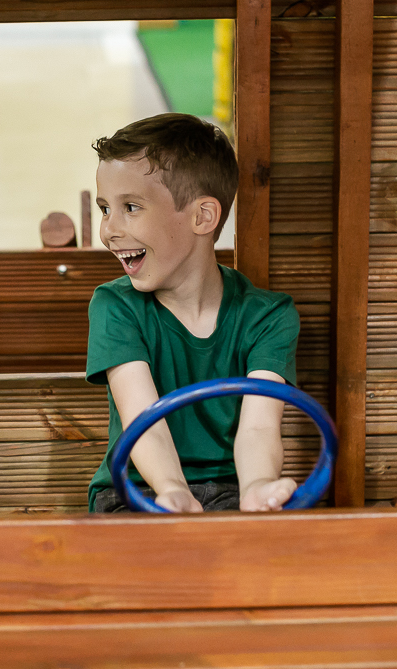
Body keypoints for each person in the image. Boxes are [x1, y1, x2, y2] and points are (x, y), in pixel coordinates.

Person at [86, 113, 300, 513]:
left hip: (229, 489)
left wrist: (257, 487)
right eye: (104, 209)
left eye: (130, 207)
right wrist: (171, 488)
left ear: (203, 217)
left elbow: (259, 427)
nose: (109, 230)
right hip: (136, 489)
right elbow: (143, 421)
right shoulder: (115, 307)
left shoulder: (268, 316)